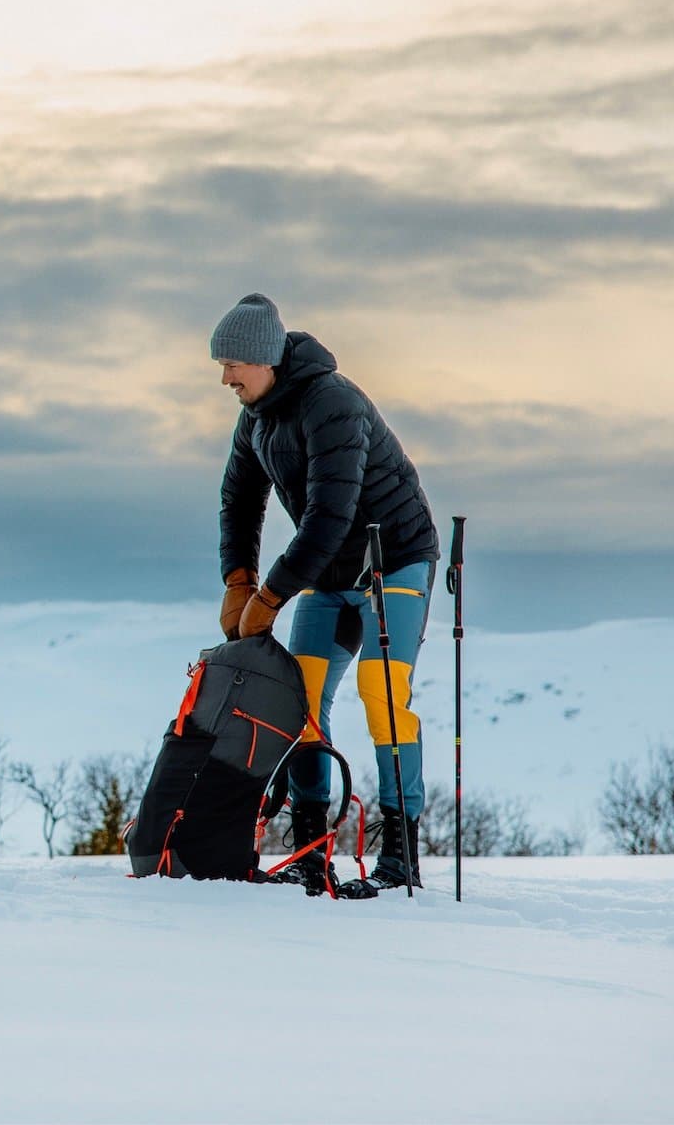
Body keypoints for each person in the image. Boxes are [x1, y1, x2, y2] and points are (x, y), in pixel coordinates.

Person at [211, 293, 439, 898]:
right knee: (302, 702)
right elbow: (239, 502)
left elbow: (327, 517)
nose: (226, 377)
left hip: (395, 561)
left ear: (265, 360)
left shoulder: (332, 403)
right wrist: (238, 580)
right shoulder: (255, 417)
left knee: (381, 691)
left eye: (233, 364)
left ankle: (400, 857)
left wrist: (271, 596)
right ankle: (312, 851)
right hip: (330, 573)